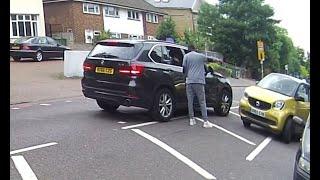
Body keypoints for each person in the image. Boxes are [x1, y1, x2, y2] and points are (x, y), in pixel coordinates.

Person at [182, 44, 213, 128]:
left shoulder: (186, 56)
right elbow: (208, 62)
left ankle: (192, 119)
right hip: (199, 81)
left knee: (190, 101)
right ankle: (205, 121)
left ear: (188, 49)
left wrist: (185, 77)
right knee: (202, 101)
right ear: (195, 49)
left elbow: (184, 68)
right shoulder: (200, 56)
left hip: (189, 81)